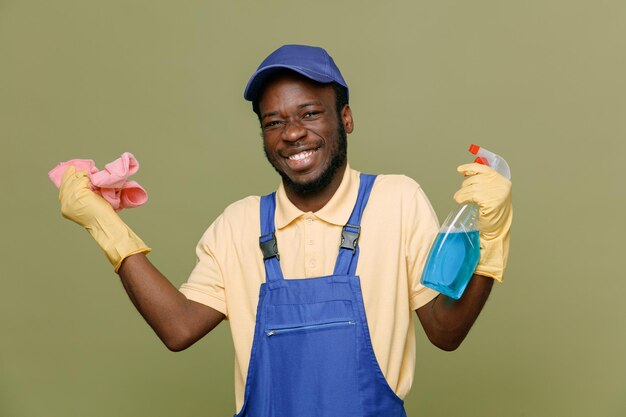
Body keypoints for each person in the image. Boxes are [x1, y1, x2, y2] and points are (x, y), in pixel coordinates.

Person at [57, 44, 512, 416]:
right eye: (273, 122)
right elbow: (177, 329)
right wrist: (105, 223)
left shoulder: (398, 201)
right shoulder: (237, 225)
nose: (291, 133)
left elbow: (445, 332)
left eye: (310, 114)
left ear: (346, 119)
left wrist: (491, 239)